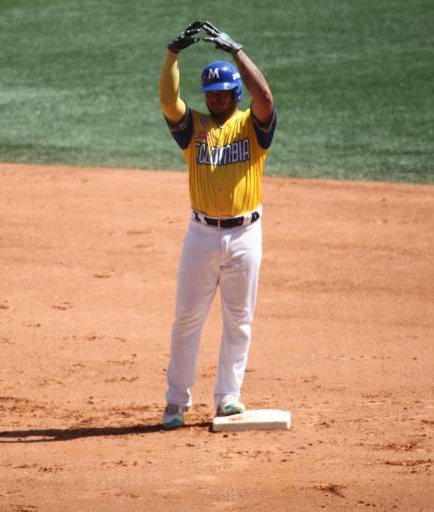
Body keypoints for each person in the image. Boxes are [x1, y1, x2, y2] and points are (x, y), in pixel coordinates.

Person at [159, 21, 277, 429]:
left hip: (246, 234)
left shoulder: (252, 126)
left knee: (239, 319)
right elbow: (167, 99)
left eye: (222, 92)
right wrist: (172, 55)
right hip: (201, 235)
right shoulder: (193, 127)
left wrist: (237, 52)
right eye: (209, 93)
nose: (215, 99)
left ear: (234, 93)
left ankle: (229, 398)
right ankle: (176, 402)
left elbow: (266, 97)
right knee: (187, 318)